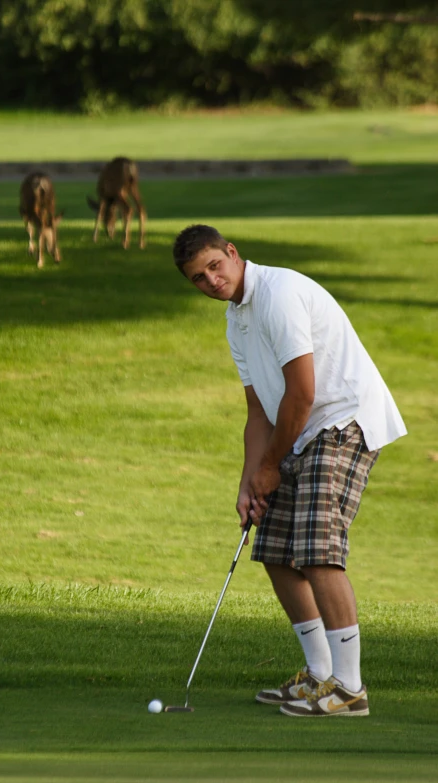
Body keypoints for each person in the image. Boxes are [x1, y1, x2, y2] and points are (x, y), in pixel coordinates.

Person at [172, 224, 407, 718]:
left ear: (232, 254)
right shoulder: (236, 320)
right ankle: (320, 676)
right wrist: (249, 481)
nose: (211, 280)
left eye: (215, 266)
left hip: (344, 420)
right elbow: (258, 412)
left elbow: (301, 393)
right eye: (199, 278)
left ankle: (349, 688)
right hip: (300, 431)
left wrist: (271, 468)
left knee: (318, 549)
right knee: (276, 547)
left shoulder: (278, 294)